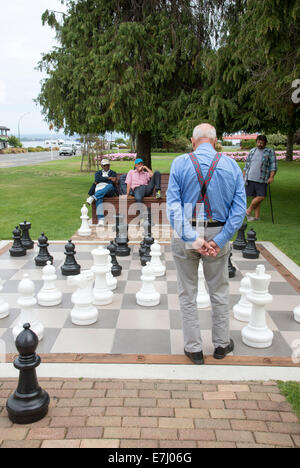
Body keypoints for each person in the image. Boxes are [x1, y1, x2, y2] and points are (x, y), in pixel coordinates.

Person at [167, 123, 246, 365]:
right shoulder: (231, 165)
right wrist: (219, 240)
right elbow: (239, 209)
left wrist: (193, 238)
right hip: (218, 231)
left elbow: (173, 207)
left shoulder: (180, 163)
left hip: (186, 234)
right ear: (214, 141)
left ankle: (194, 349)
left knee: (187, 293)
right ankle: (221, 345)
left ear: (193, 141)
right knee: (219, 291)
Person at [244, 135, 277, 221]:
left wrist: (271, 177)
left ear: (265, 143)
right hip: (250, 177)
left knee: (261, 196)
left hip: (262, 178)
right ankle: (257, 217)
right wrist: (244, 175)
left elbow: (273, 165)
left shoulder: (269, 151)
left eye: (261, 143)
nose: (259, 144)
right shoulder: (252, 151)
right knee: (255, 197)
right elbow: (247, 164)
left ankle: (248, 210)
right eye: (258, 142)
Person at [86, 159, 118, 226]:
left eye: (108, 165)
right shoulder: (98, 173)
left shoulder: (113, 172)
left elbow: (112, 182)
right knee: (99, 198)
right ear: (102, 166)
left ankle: (93, 197)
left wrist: (102, 179)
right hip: (99, 188)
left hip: (109, 190)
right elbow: (97, 179)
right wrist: (109, 178)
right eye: (105, 165)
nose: (106, 166)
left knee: (109, 185)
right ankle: (101, 219)